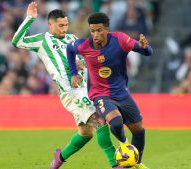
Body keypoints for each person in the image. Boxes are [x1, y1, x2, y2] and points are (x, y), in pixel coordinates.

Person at [12, 2, 124, 169]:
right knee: (99, 120)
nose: (64, 29)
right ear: (50, 24)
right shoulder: (42, 41)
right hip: (70, 91)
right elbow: (16, 41)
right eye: (60, 26)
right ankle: (115, 165)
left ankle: (59, 158)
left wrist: (82, 62)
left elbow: (87, 61)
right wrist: (30, 18)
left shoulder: (72, 39)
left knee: (86, 133)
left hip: (86, 89)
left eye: (66, 25)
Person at [67, 12, 153, 169]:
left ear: (107, 29)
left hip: (122, 93)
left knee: (139, 131)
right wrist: (73, 73)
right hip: (100, 95)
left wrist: (145, 47)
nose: (95, 35)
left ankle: (135, 163)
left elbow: (146, 51)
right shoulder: (84, 45)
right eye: (92, 31)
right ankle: (125, 147)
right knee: (116, 122)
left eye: (99, 30)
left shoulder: (120, 40)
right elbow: (69, 49)